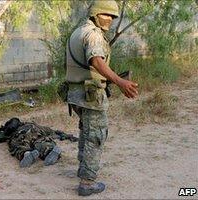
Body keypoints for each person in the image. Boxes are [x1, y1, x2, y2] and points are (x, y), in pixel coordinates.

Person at [65, 0, 138, 196]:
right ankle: (87, 182)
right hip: (90, 95)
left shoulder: (77, 32)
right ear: (96, 14)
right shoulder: (94, 35)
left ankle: (83, 169)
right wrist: (120, 82)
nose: (111, 19)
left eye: (113, 16)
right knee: (96, 135)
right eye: (107, 15)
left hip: (75, 93)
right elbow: (96, 60)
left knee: (86, 132)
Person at [0, 117, 78, 168]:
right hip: (35, 133)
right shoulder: (31, 124)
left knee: (19, 146)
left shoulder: (10, 133)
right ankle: (50, 152)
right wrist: (63, 135)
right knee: (41, 141)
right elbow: (49, 131)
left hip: (20, 137)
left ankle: (27, 155)